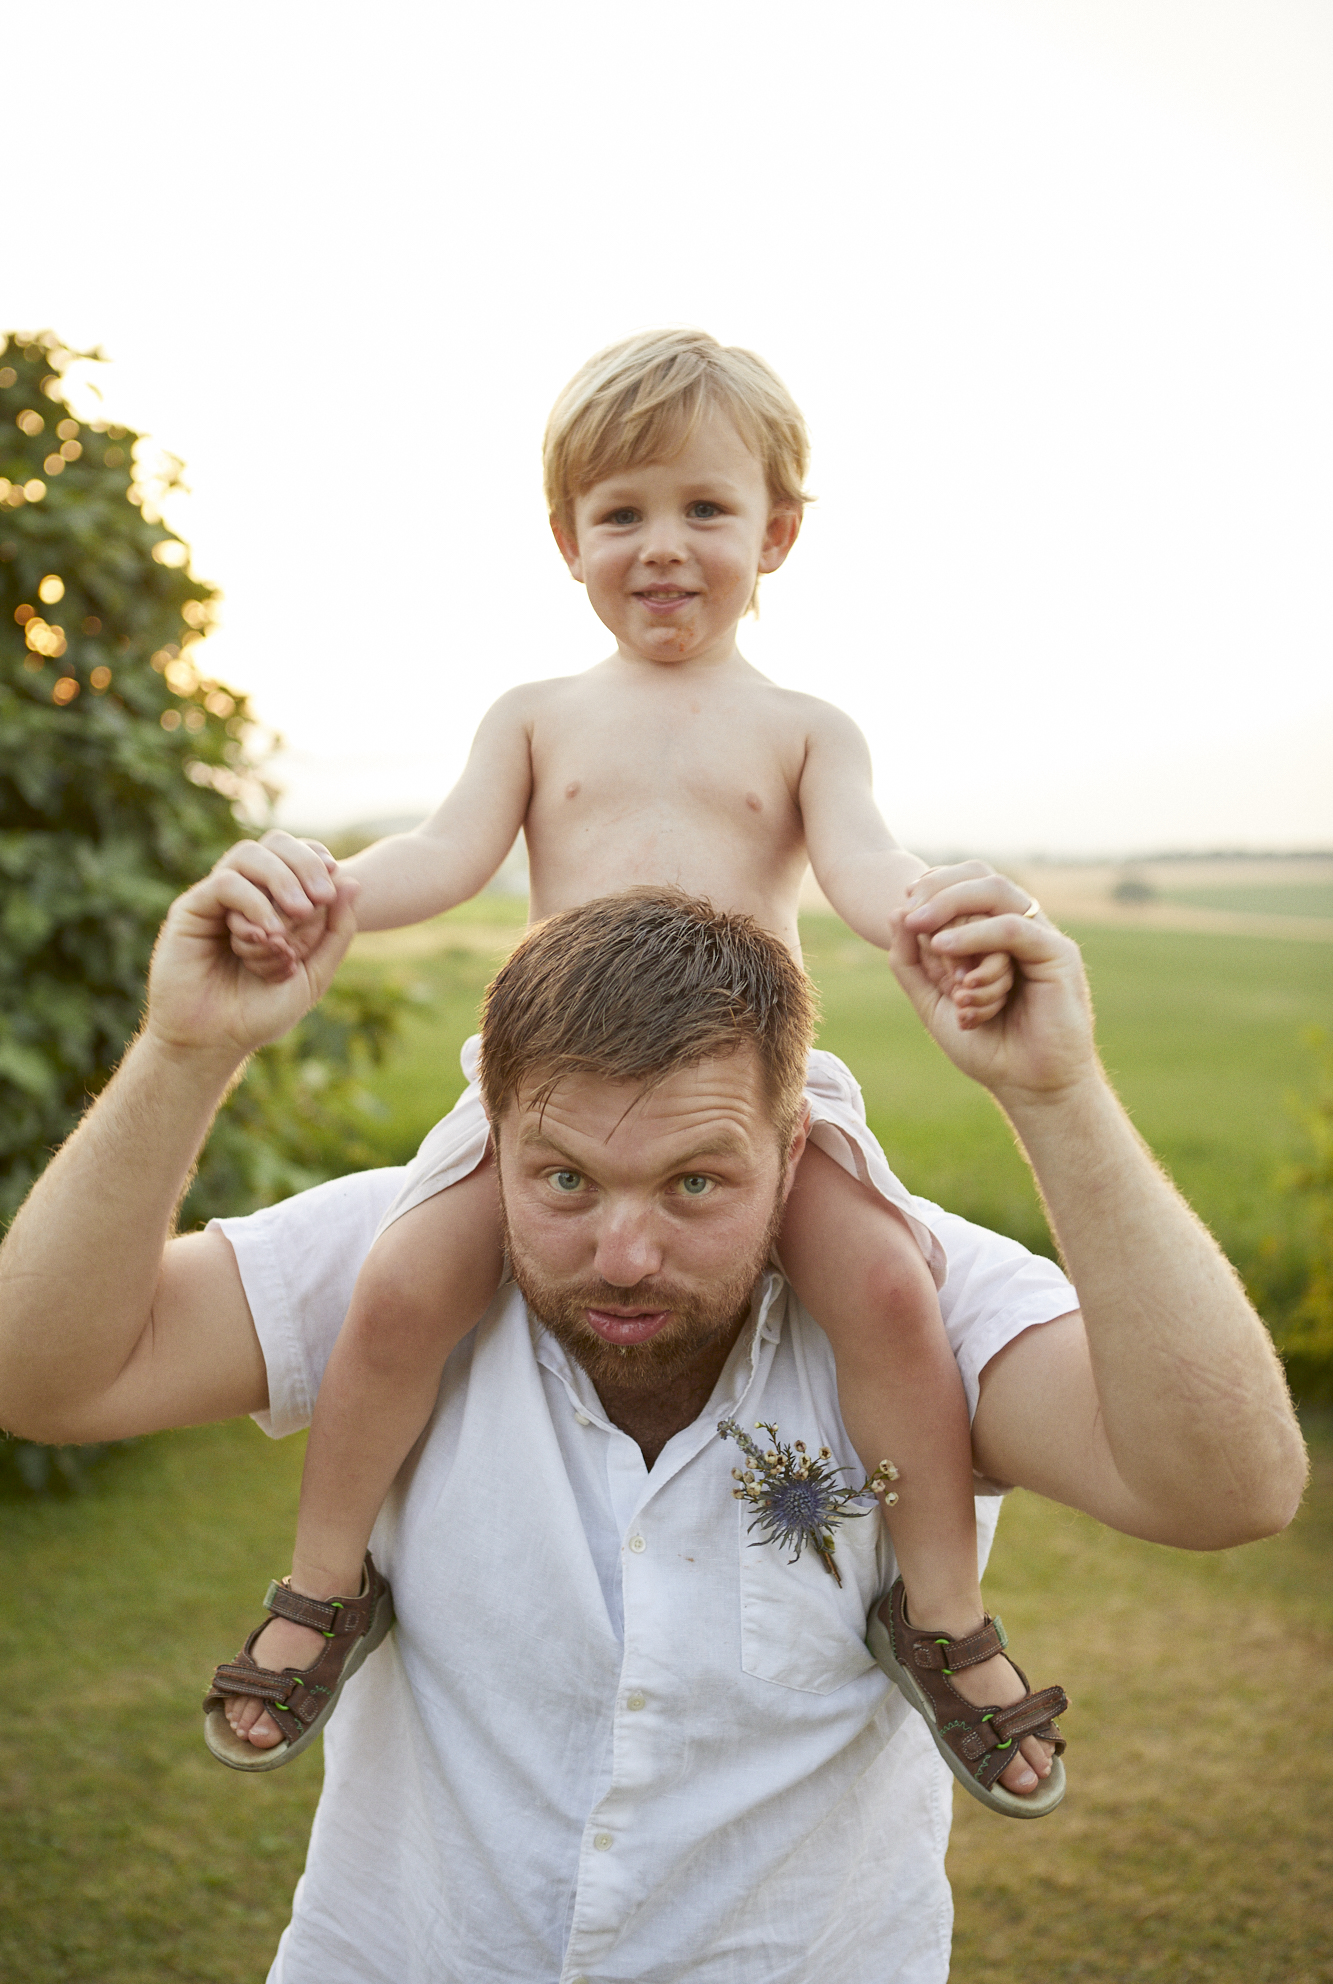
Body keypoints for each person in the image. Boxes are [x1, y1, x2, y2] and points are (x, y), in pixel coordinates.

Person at [0, 875, 1304, 1984]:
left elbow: (1226, 1489)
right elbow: (44, 1378)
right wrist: (186, 1052)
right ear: (488, 1141)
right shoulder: (387, 1252)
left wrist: (1057, 1094)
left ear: (796, 1151)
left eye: (695, 1182)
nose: (624, 1255)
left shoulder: (928, 1301)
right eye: (562, 1177)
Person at [202, 328, 1056, 1796]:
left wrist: (938, 919)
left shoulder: (800, 729)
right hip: (555, 1085)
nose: (664, 546)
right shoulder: (535, 717)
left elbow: (863, 870)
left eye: (705, 510)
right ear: (566, 541)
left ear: (775, 532)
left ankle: (940, 1610)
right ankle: (326, 1583)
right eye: (622, 514)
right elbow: (442, 853)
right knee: (405, 1284)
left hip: (753, 1091)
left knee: (889, 1292)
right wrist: (322, 893)